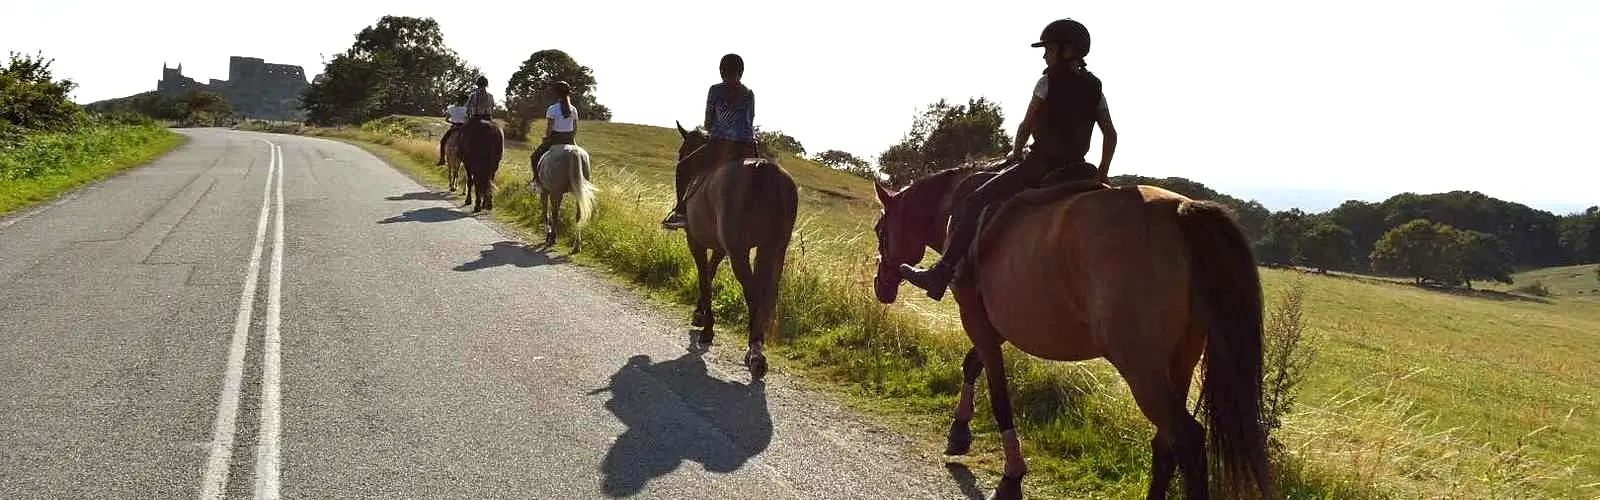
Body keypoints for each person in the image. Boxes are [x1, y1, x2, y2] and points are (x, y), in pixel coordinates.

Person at [896, 18, 1119, 301]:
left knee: (975, 199)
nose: (1044, 55)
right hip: (1078, 170)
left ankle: (941, 273)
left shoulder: (1047, 81)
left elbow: (1027, 125)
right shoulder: (1096, 88)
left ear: (1065, 50)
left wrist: (1015, 152)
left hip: (1041, 165)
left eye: (1048, 49)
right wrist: (1102, 173)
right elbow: (1110, 135)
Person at [660, 53, 760, 230]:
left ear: (722, 71)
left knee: (682, 168)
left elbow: (708, 122)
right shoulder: (749, 94)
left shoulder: (716, 90)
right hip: (747, 148)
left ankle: (681, 213)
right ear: (741, 71)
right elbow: (749, 121)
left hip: (720, 146)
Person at [530, 81, 583, 180]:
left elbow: (550, 129)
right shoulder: (573, 109)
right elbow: (575, 129)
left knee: (534, 157)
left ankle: (536, 181)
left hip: (555, 139)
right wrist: (571, 138)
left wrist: (546, 138)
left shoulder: (552, 109)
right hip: (569, 139)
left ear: (555, 94)